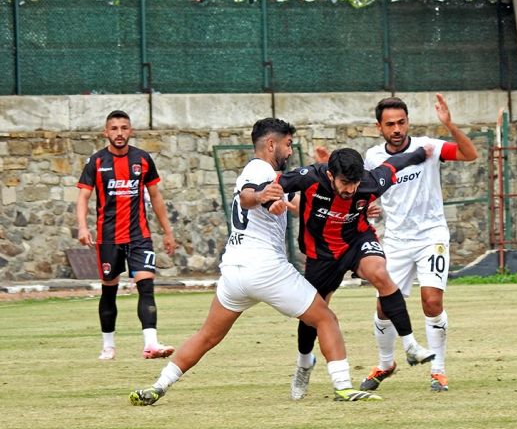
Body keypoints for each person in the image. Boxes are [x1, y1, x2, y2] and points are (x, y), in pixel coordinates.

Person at [129, 118, 381, 406]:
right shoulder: (259, 168)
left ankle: (159, 386)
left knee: (207, 336)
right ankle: (343, 386)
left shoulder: (268, 177)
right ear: (271, 144)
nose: (289, 152)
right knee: (326, 319)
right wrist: (261, 196)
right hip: (265, 268)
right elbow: (250, 195)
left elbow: (291, 206)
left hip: (235, 271)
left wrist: (353, 209)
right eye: (287, 145)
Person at [276, 145, 436, 400]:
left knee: (381, 274)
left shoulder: (370, 182)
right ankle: (304, 363)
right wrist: (267, 197)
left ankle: (410, 345)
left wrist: (420, 153)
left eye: (355, 183)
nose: (351, 189)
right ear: (330, 175)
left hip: (356, 241)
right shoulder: (308, 177)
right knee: (311, 315)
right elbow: (273, 183)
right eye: (345, 183)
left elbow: (396, 163)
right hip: (321, 254)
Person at [361, 94, 478, 392]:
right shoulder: (373, 157)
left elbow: (469, 154)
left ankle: (438, 371)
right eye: (390, 124)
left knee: (432, 301)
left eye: (401, 122)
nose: (397, 129)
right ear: (379, 127)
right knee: (384, 308)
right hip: (397, 241)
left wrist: (449, 125)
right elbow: (367, 193)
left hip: (431, 237)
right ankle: (386, 364)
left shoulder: (428, 147)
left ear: (408, 122)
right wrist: (367, 207)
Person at [76, 110, 177, 361]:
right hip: (108, 239)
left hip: (139, 236)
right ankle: (108, 346)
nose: (119, 133)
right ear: (106, 132)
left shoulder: (142, 159)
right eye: (114, 128)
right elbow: (83, 197)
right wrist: (82, 227)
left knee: (146, 286)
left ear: (130, 131)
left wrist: (168, 232)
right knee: (109, 291)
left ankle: (151, 344)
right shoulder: (97, 162)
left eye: (124, 128)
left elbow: (155, 197)